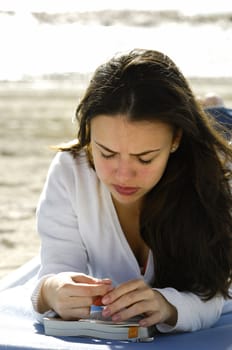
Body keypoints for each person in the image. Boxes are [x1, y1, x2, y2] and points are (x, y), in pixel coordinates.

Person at [31, 48, 232, 333]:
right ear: (89, 133)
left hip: (222, 142)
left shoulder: (218, 174)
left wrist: (168, 305)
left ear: (175, 140)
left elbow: (213, 294)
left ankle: (214, 107)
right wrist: (51, 290)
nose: (123, 175)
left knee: (222, 122)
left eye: (145, 158)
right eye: (107, 153)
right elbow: (53, 272)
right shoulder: (70, 169)